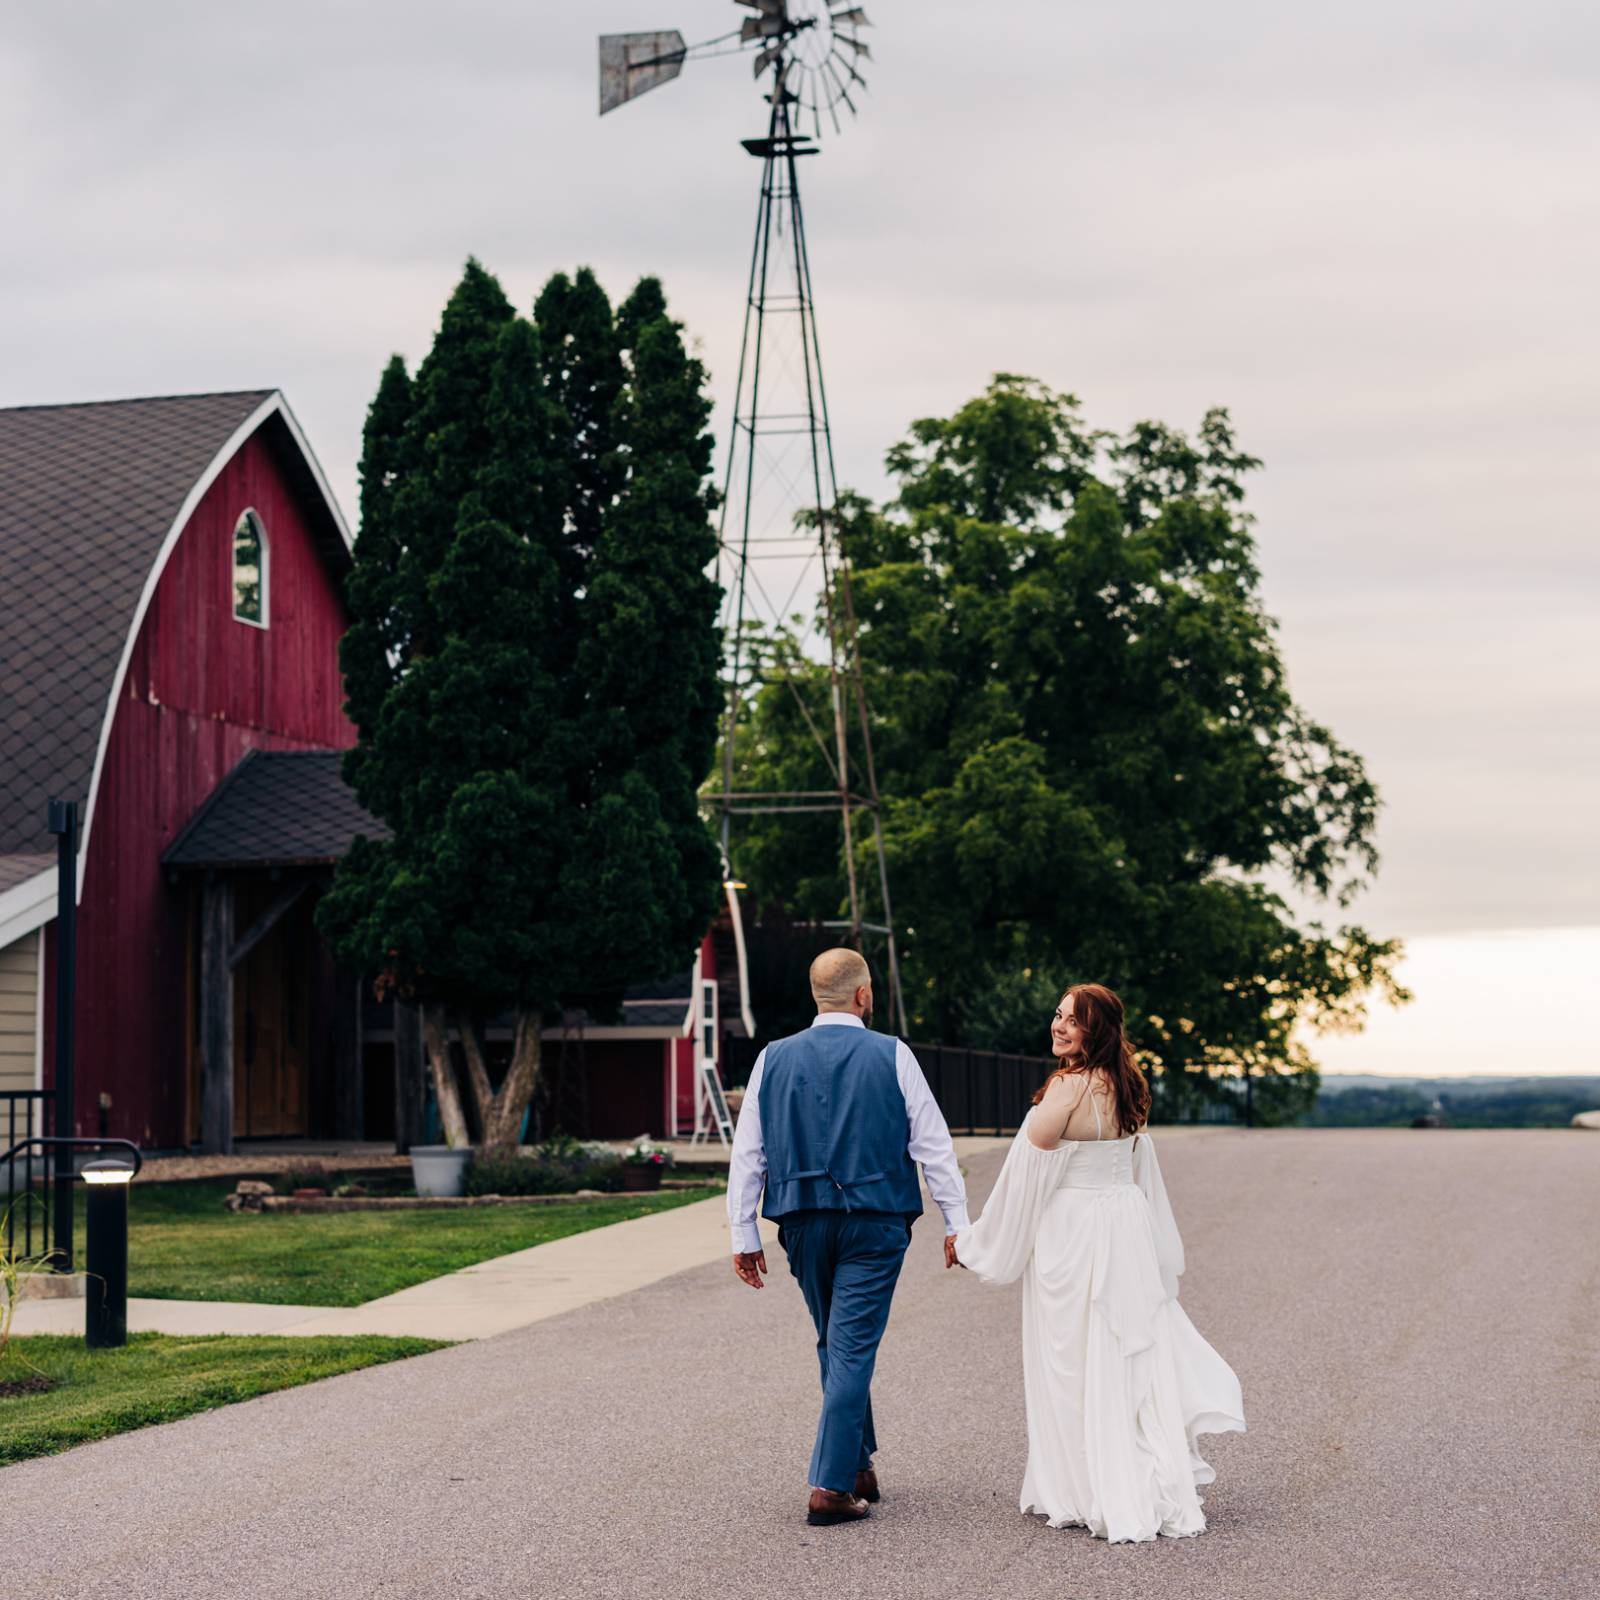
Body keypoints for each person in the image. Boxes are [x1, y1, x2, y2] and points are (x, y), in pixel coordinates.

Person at [953, 983, 1246, 1542]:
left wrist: (976, 1242)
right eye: (1058, 1016)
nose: (1059, 1026)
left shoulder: (1067, 1090)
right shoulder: (1127, 1084)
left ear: (1098, 1030)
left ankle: (1087, 1485)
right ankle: (1124, 1471)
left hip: (1076, 1234)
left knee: (1073, 1358)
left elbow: (1024, 1181)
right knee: (1120, 1353)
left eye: (1073, 1021)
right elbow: (1133, 1162)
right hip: (1124, 1224)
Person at [728, 947, 969, 1527]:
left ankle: (857, 1464)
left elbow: (749, 1153)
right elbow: (932, 1144)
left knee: (834, 1342)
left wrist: (744, 1232)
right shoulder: (893, 1054)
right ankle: (831, 1488)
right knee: (850, 1346)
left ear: (817, 995)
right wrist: (957, 1222)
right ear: (863, 995)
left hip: (802, 1222)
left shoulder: (771, 1059)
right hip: (874, 1222)